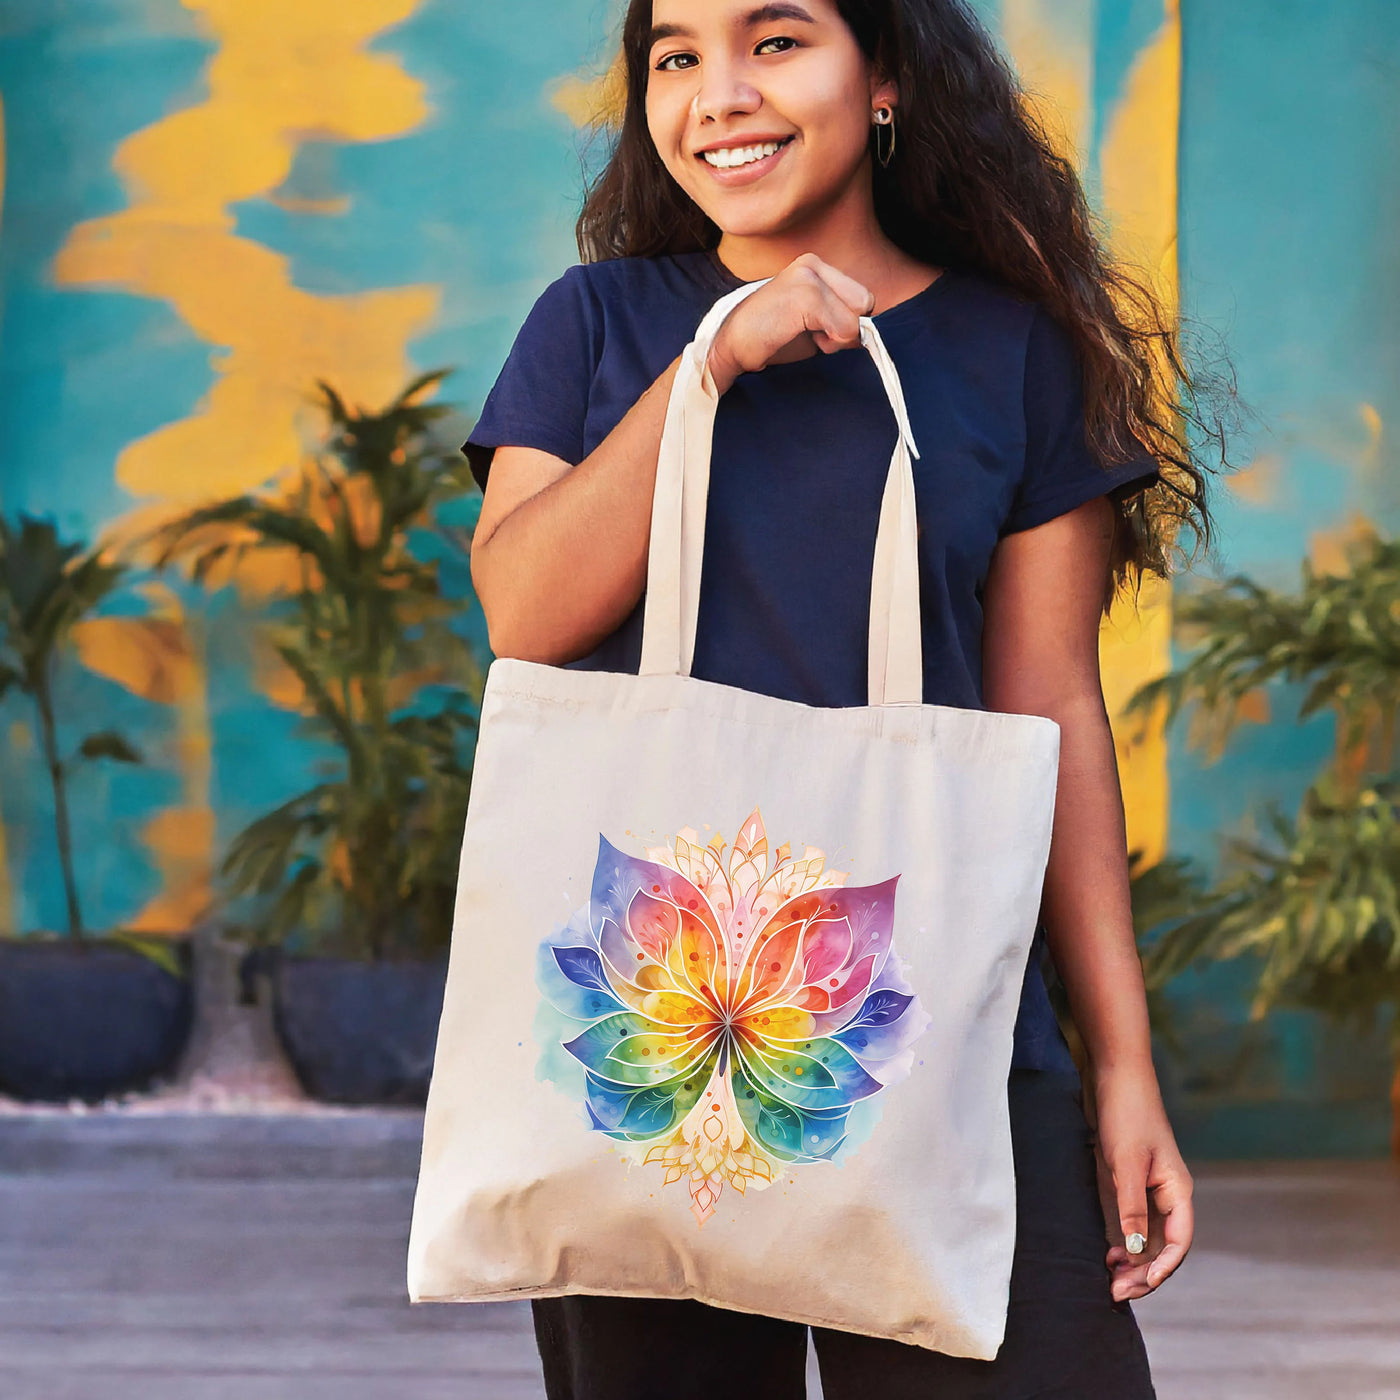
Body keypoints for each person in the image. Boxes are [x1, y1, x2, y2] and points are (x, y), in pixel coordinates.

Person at [463, 0, 1223, 1394]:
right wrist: (717, 357)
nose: (718, 93)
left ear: (885, 80)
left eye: (775, 40)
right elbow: (524, 608)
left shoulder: (1011, 353)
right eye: (676, 56)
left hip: (950, 1030)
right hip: (652, 1037)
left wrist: (1123, 1069)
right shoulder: (598, 324)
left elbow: (1050, 715)